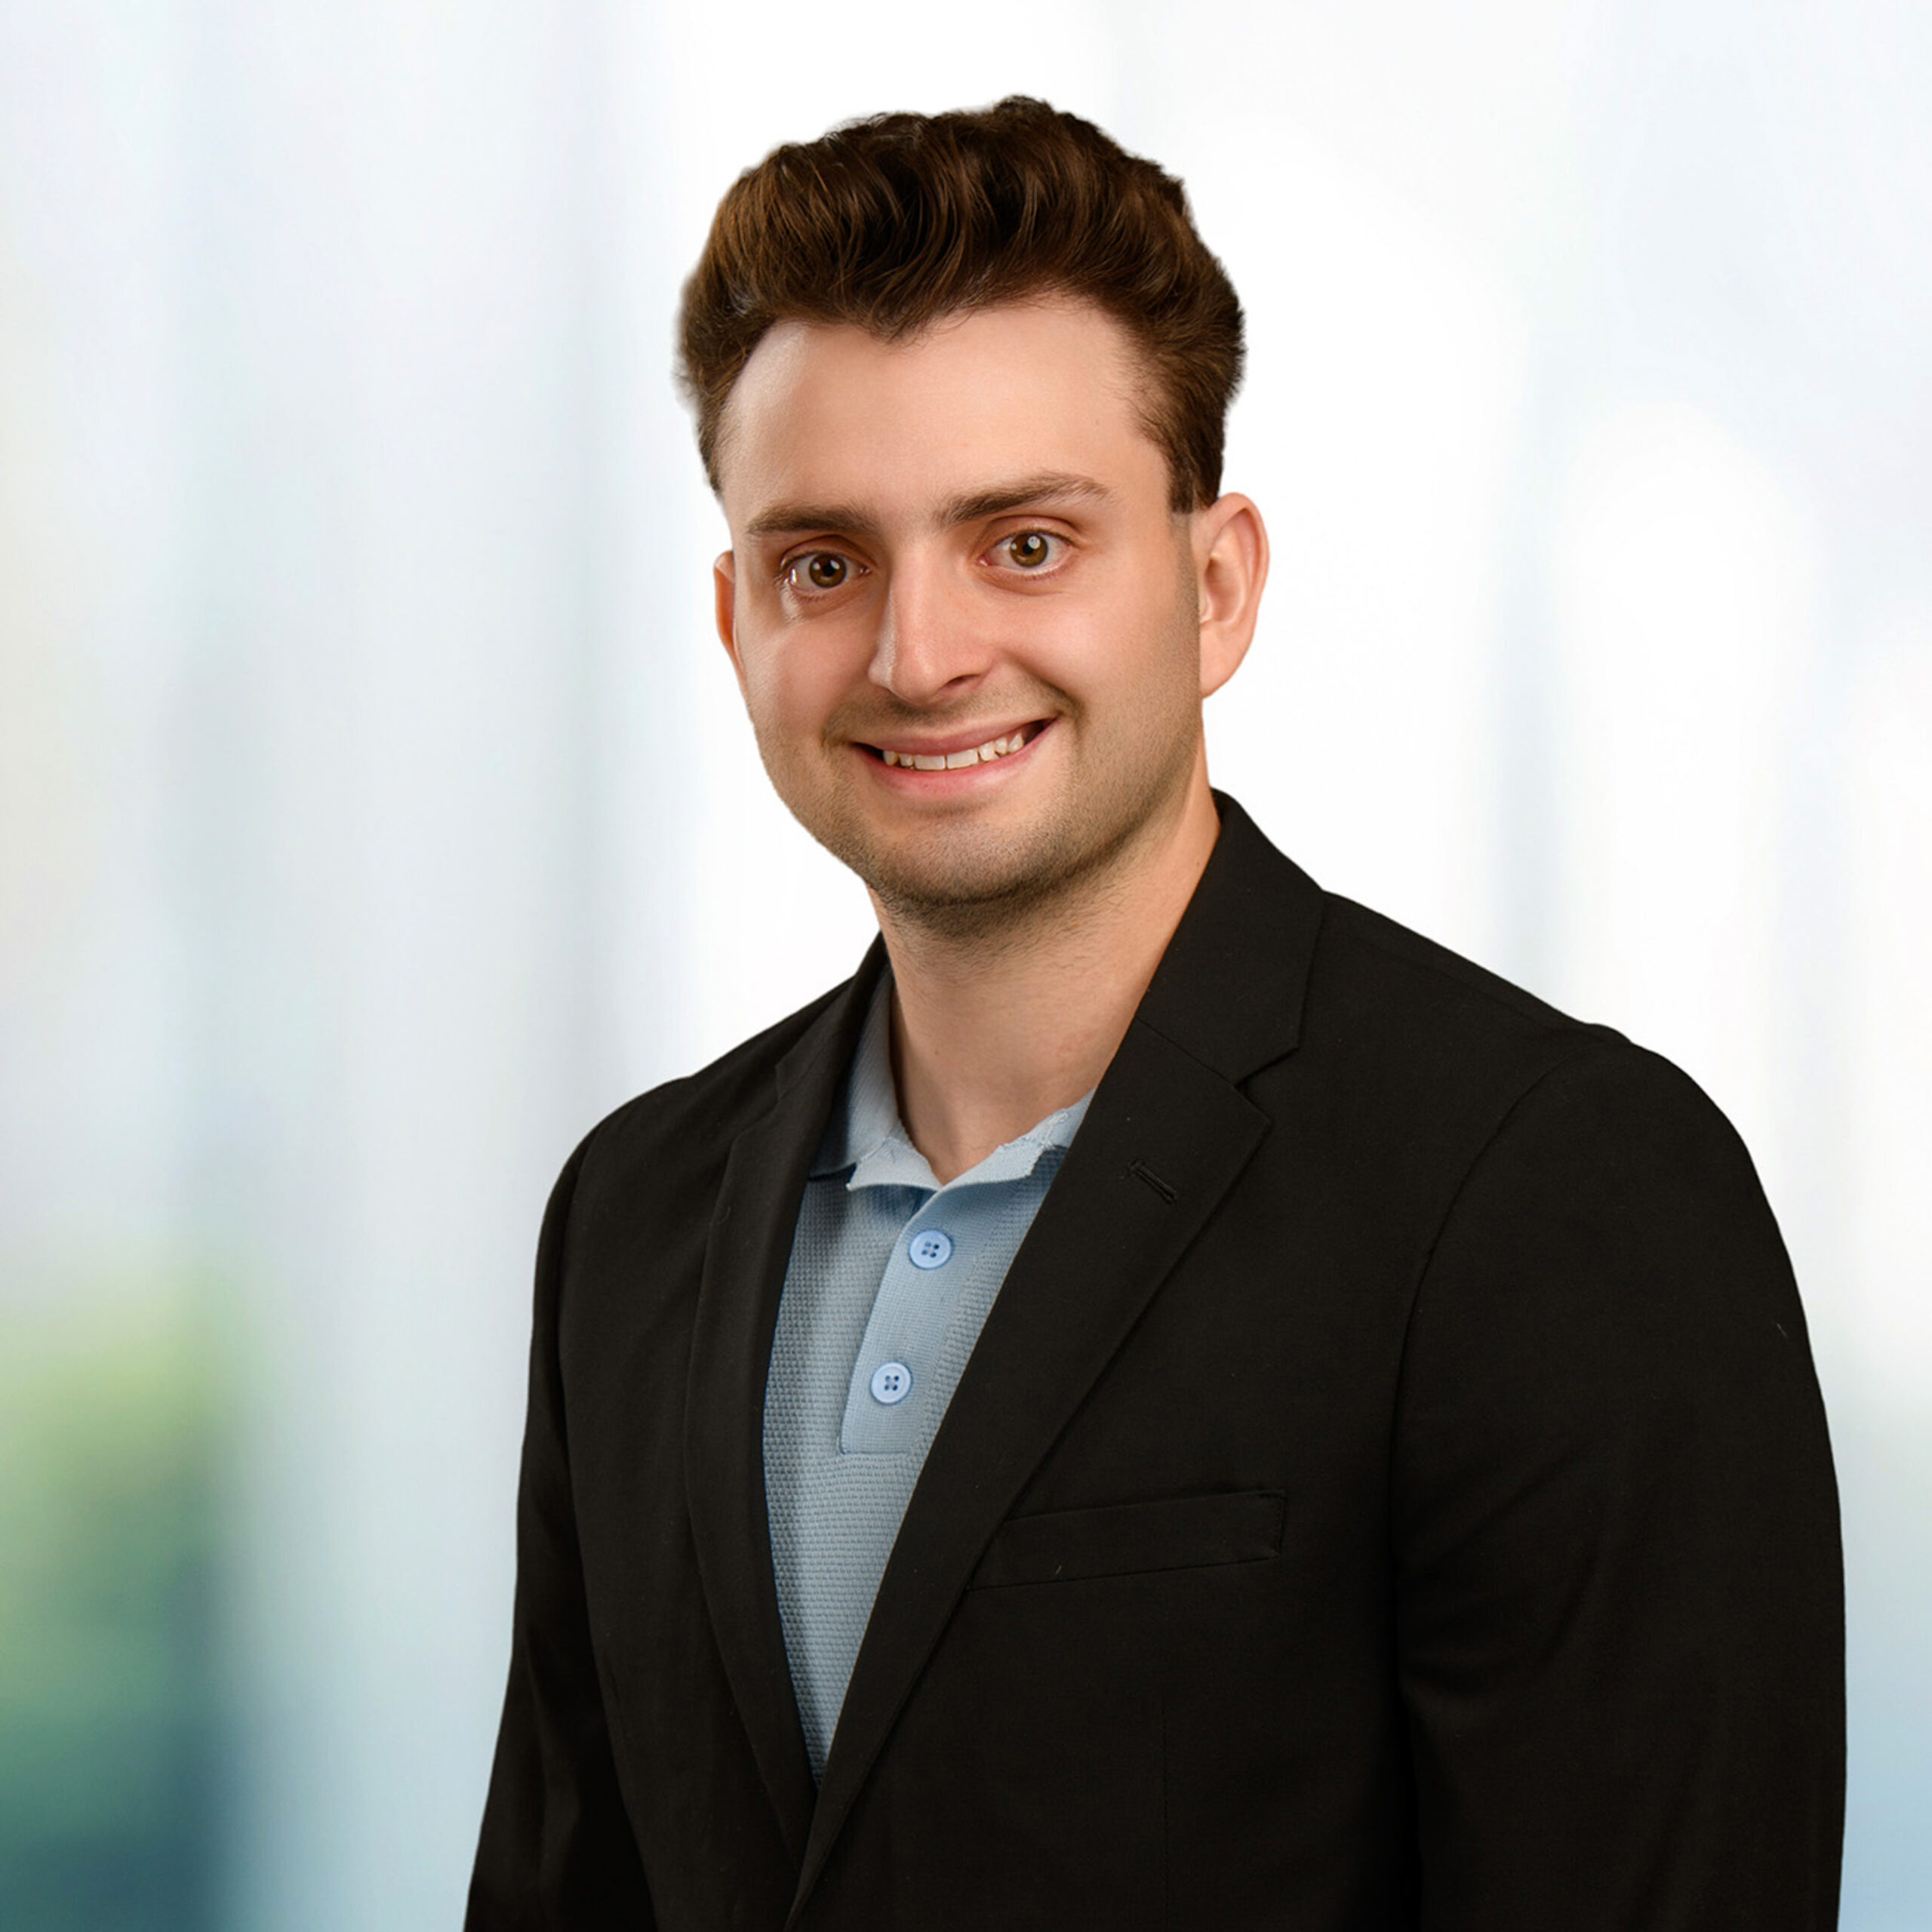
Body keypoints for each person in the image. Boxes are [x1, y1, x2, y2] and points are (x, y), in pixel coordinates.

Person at [466, 97, 1843, 1930]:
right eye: (822, 562)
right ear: (734, 620)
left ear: (1213, 588)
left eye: (1022, 544)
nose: (916, 651)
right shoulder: (633, 1216)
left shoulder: (1558, 1195)